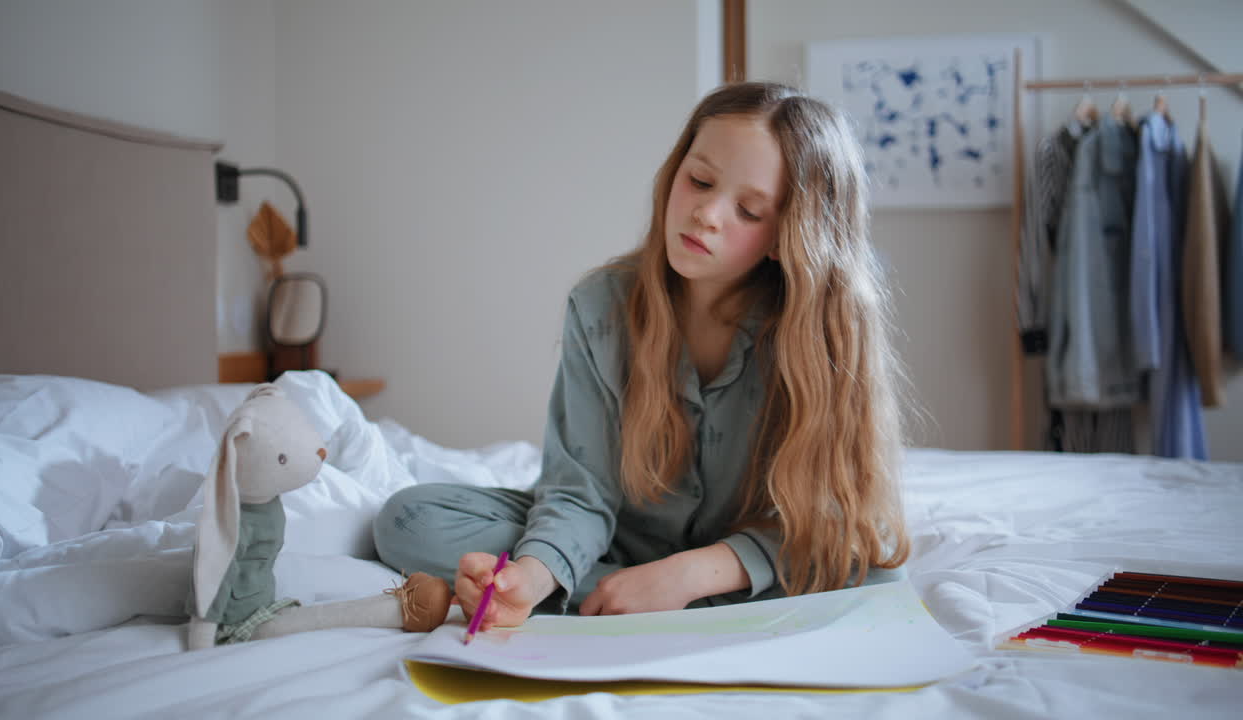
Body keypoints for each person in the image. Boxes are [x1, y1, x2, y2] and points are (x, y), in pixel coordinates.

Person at [373, 81, 910, 632]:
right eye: (698, 180)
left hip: (747, 556)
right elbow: (581, 490)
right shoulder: (600, 306)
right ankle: (633, 598)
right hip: (615, 541)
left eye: (748, 210)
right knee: (409, 520)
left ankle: (648, 599)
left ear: (789, 234)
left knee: (873, 565)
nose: (705, 213)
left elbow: (840, 519)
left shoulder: (822, 330)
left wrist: (692, 574)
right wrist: (528, 580)